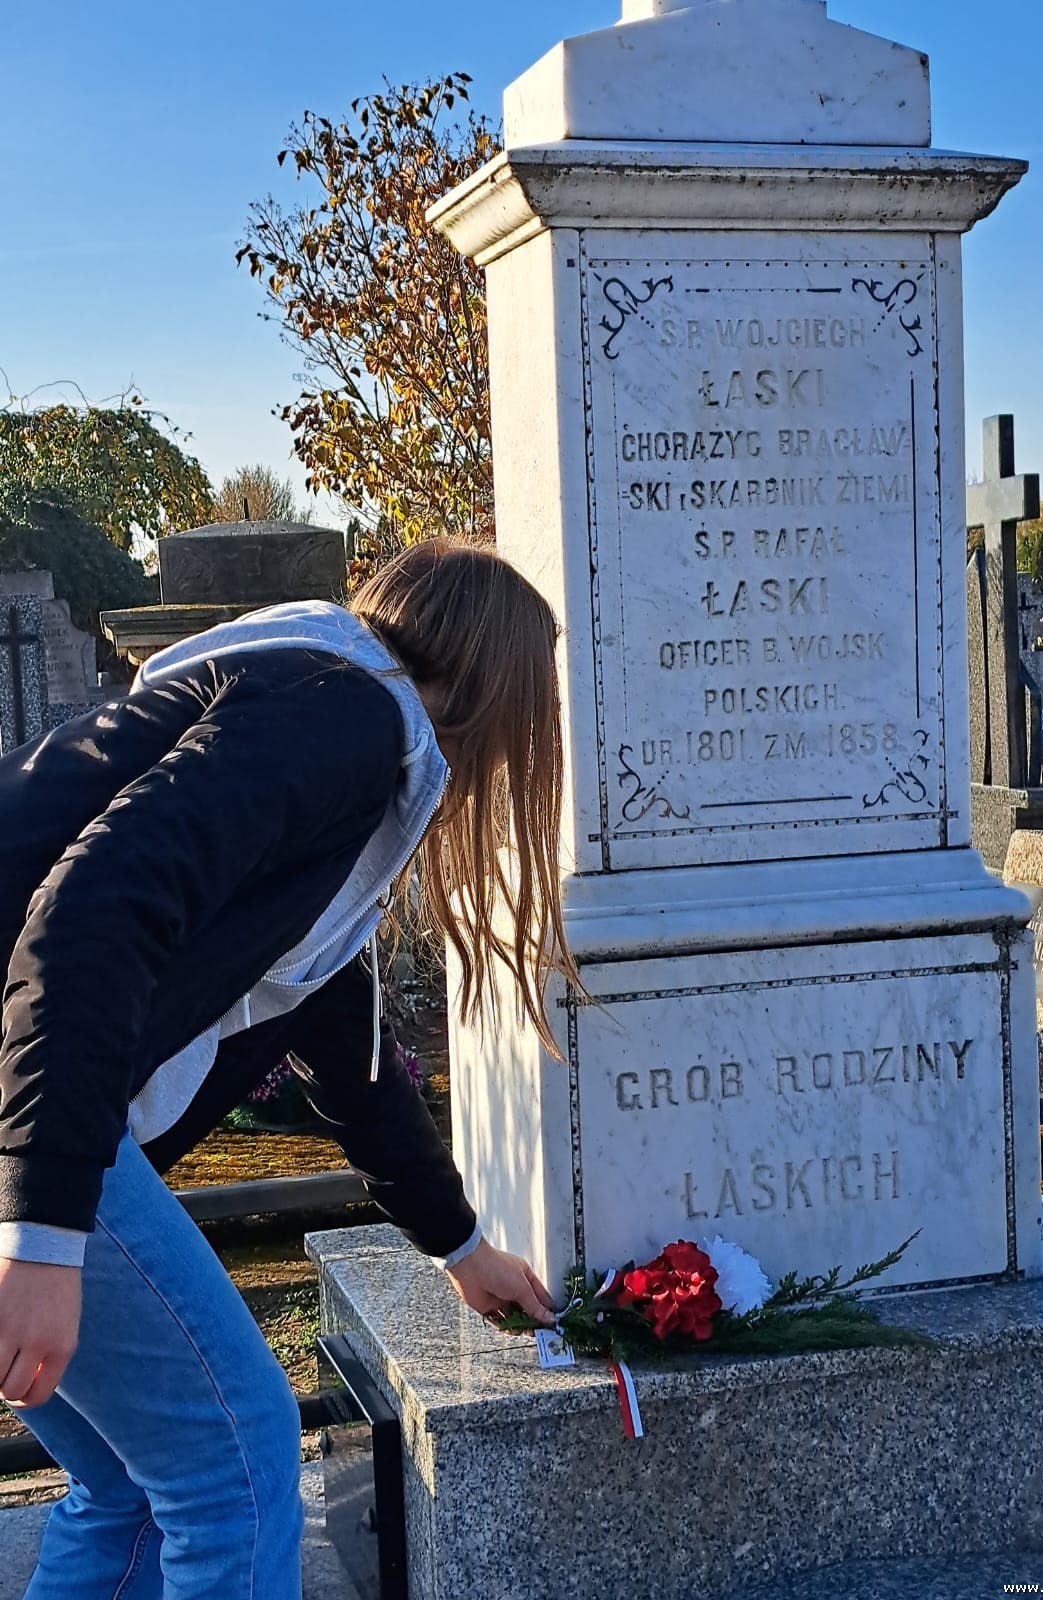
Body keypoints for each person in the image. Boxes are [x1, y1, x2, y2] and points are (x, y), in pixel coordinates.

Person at [0, 538, 572, 1598]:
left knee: (128, 1488)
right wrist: (41, 1231)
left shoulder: (317, 726)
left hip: (25, 1098)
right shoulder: (345, 715)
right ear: (493, 692)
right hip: (26, 1113)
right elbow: (91, 908)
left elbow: (350, 1056)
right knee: (239, 1466)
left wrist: (462, 1246)